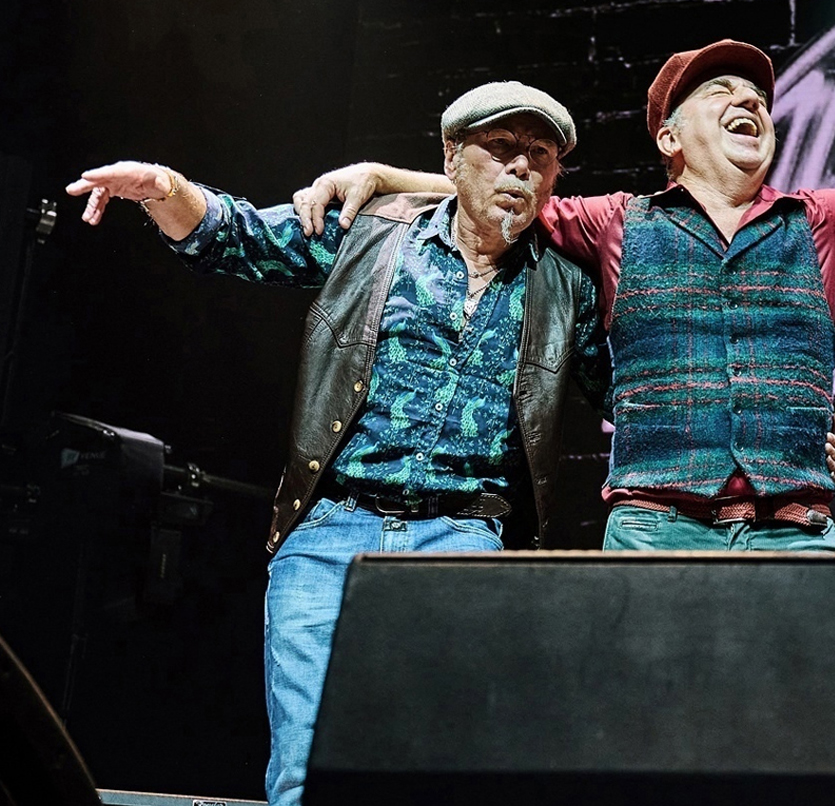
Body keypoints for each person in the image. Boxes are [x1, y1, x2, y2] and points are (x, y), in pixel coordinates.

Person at [294, 40, 835, 554]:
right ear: (669, 137)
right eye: (719, 94)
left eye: (756, 97)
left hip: (796, 533)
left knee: (828, 745)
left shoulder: (824, 218)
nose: (748, 102)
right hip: (655, 528)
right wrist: (385, 175)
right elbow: (506, 190)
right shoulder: (617, 221)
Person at [68, 81, 605, 806]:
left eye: (539, 155)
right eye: (501, 146)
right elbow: (237, 237)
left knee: (428, 773)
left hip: (462, 542)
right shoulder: (373, 235)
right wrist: (163, 188)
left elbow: (633, 391)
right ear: (452, 157)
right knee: (307, 770)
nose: (520, 166)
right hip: (331, 534)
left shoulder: (567, 288)